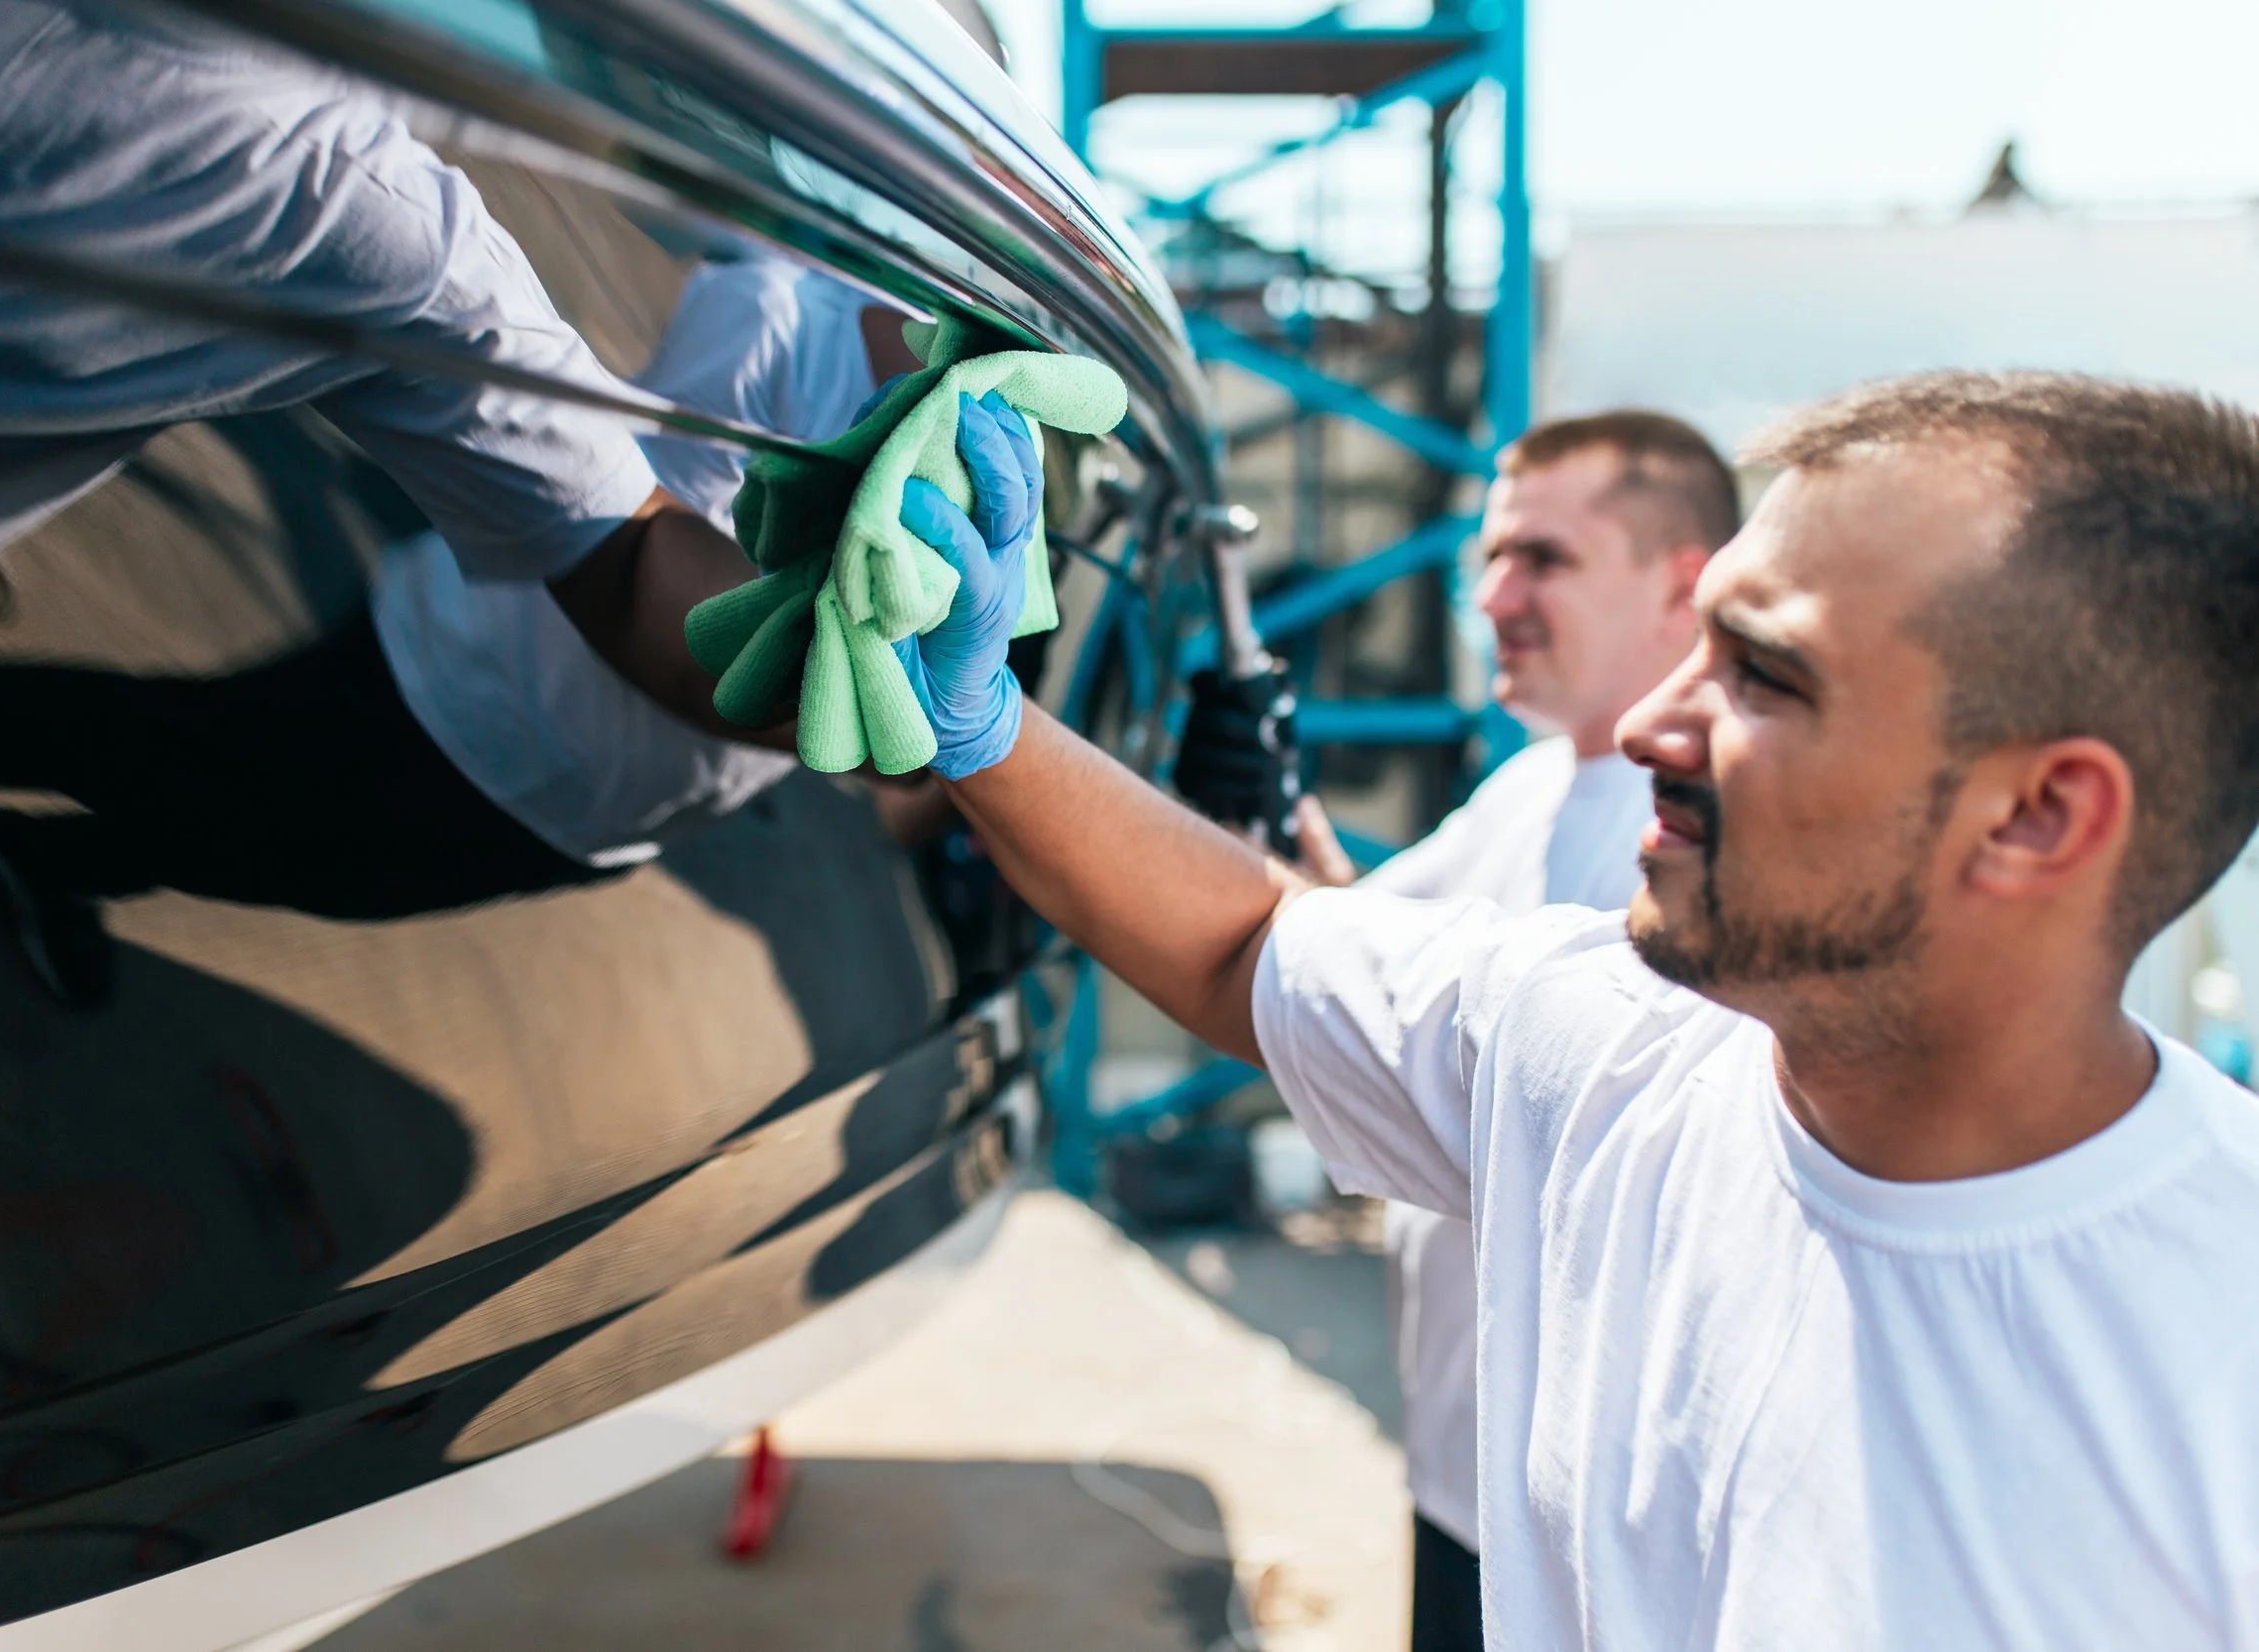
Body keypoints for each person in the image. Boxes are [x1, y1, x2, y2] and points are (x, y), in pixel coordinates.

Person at [901, 370, 2259, 1646]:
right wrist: (983, 728)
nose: (1659, 722)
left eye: (1763, 672)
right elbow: (1253, 939)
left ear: (2040, 814)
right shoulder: (1603, 1046)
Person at [0, 255, 916, 1000]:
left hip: (590, 812)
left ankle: (39, 859)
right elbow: (644, 552)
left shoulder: (965, 460)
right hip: (464, 689)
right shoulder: (780, 320)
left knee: (291, 863)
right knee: (146, 747)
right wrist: (862, 715)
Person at [0, 1, 752, 734]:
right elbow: (653, 600)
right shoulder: (367, 230)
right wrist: (891, 690)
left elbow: (654, 595)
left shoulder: (376, 234)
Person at [1247, 412, 1734, 1652]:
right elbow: (1331, 953)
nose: (1492, 594)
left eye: (1542, 558)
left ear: (1682, 581)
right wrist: (1248, 818)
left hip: (1593, 1543)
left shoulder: (1702, 843)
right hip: (1462, 1479)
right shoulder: (1529, 789)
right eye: (1486, 558)